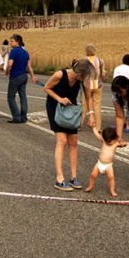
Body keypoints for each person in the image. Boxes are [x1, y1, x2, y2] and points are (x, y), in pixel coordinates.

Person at [44, 58, 95, 191]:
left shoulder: (82, 80)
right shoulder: (59, 75)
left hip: (70, 110)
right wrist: (59, 99)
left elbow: (88, 97)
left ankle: (73, 177)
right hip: (55, 107)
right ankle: (59, 179)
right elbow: (47, 88)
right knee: (62, 140)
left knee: (73, 141)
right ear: (79, 74)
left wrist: (91, 114)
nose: (86, 79)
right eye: (85, 76)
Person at [6, 34, 38, 123]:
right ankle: (23, 117)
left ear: (17, 42)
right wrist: (32, 76)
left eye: (12, 41)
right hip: (24, 76)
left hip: (15, 76)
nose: (10, 43)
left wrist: (7, 71)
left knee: (11, 97)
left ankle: (16, 117)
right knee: (23, 96)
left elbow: (10, 64)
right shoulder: (25, 52)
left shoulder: (13, 51)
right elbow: (29, 67)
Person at [84, 127, 120, 196]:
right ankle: (90, 186)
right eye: (107, 141)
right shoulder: (104, 141)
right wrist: (93, 128)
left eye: (110, 141)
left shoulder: (116, 144)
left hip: (108, 165)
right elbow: (97, 135)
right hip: (99, 163)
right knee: (93, 175)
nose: (108, 142)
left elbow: (122, 144)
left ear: (114, 138)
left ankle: (112, 190)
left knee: (111, 178)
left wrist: (124, 144)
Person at [84, 44, 106, 130]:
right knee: (97, 106)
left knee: (84, 105)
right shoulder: (100, 60)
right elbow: (103, 73)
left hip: (87, 85)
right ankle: (98, 127)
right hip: (98, 85)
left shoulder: (84, 60)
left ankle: (79, 125)